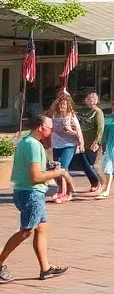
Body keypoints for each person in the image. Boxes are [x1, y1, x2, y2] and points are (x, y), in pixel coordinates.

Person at [0, 113, 68, 281]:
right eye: (50, 128)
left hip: (28, 192)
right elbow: (35, 177)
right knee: (26, 231)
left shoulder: (25, 142)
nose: (52, 131)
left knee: (41, 228)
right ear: (40, 127)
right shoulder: (33, 145)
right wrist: (57, 173)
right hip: (31, 193)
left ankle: (45, 269)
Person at [49, 94, 83, 203]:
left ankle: (64, 193)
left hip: (69, 144)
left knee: (62, 168)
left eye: (64, 104)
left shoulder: (71, 116)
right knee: (56, 168)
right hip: (56, 144)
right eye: (60, 104)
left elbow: (78, 131)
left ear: (68, 105)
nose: (61, 106)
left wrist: (70, 131)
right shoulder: (54, 115)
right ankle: (63, 191)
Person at [75, 92, 105, 193]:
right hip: (83, 143)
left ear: (96, 101)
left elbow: (100, 128)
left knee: (94, 165)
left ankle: (102, 183)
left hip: (93, 143)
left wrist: (97, 142)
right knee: (85, 164)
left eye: (92, 99)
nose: (90, 101)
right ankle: (94, 182)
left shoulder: (98, 112)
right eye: (88, 99)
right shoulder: (84, 112)